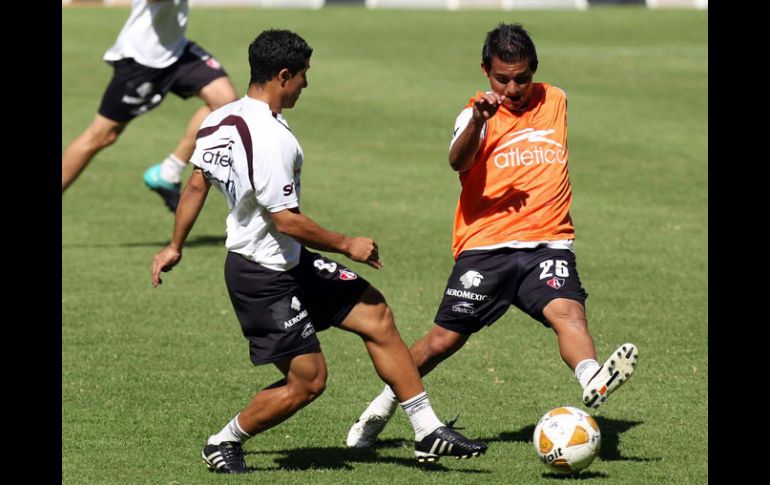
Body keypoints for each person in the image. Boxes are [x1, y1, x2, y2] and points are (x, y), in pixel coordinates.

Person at [150, 29, 487, 474]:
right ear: (283, 75)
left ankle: (427, 430)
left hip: (288, 259)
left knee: (375, 313)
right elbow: (284, 219)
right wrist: (348, 244)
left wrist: (175, 245)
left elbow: (196, 183)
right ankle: (223, 441)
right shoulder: (271, 138)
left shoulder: (220, 117)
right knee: (308, 382)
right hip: (261, 273)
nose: (306, 85)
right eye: (303, 76)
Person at [346, 23, 639, 449]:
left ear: (534, 69)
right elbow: (456, 162)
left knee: (569, 315)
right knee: (442, 341)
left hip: (548, 242)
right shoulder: (474, 114)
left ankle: (591, 377)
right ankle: (382, 407)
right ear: (486, 71)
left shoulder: (557, 99)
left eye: (522, 77)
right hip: (487, 247)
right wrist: (479, 122)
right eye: (503, 78)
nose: (513, 88)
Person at [62, 0, 238, 212]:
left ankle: (168, 172)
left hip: (177, 51)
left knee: (225, 102)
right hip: (142, 60)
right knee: (101, 136)